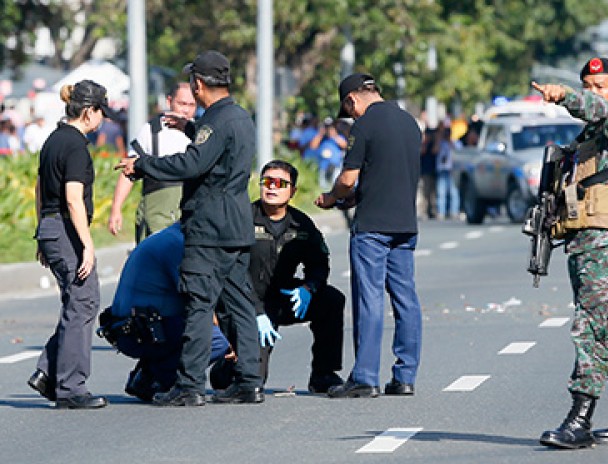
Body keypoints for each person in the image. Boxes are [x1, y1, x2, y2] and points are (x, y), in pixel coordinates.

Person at [116, 50, 262, 407]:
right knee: (239, 304)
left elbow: (194, 163)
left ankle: (190, 385)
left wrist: (143, 165)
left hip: (208, 227)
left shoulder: (216, 119)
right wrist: (191, 128)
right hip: (237, 225)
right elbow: (219, 153)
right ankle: (249, 381)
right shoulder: (239, 117)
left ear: (198, 84)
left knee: (198, 303)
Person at [532, 57, 608, 449]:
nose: (592, 93)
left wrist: (566, 95)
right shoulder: (590, 138)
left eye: (600, 85)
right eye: (587, 85)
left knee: (589, 326)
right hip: (584, 241)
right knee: (605, 326)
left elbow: (597, 109)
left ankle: (579, 417)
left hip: (607, 241)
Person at [315, 73, 422, 398]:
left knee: (370, 298)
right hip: (405, 224)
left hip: (373, 228)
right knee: (406, 299)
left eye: (350, 111)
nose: (352, 116)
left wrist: (333, 197)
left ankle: (365, 376)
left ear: (352, 100)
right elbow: (386, 177)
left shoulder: (364, 125)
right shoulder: (409, 123)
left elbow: (348, 178)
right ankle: (404, 377)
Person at [209, 160, 345, 393]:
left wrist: (308, 288)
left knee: (332, 300)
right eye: (267, 182)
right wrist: (256, 311)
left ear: (292, 191)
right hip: (246, 303)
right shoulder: (243, 219)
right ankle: (226, 366)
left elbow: (319, 264)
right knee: (252, 380)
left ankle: (324, 374)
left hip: (283, 297)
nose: (272, 188)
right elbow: (231, 272)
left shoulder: (301, 224)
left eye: (280, 183)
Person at [29, 79, 120, 409]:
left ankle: (47, 373)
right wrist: (87, 245)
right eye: (100, 113)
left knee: (76, 303)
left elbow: (40, 189)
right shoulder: (76, 146)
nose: (102, 120)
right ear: (88, 111)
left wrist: (43, 231)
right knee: (84, 302)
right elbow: (73, 199)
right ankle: (70, 388)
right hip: (66, 229)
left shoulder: (54, 139)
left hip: (51, 227)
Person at [97, 223, 232, 402]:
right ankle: (156, 377)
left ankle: (150, 370)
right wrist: (233, 338)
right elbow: (199, 298)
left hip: (134, 328)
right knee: (217, 341)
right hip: (140, 332)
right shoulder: (177, 245)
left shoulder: (168, 236)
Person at [109, 82, 197, 243]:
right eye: (182, 103)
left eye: (192, 105)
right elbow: (129, 171)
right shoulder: (152, 131)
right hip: (156, 212)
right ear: (169, 101)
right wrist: (116, 209)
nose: (186, 109)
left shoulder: (200, 132)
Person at [308, 117, 347, 190]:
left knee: (334, 186)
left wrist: (333, 134)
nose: (328, 128)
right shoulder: (321, 138)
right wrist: (321, 133)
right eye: (326, 126)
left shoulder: (338, 137)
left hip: (335, 166)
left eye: (330, 126)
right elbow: (312, 146)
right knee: (323, 187)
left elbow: (345, 145)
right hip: (323, 167)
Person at [435, 120, 460, 219]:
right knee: (441, 192)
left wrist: (450, 141)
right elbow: (434, 150)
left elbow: (458, 152)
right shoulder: (440, 143)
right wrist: (439, 138)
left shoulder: (455, 143)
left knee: (454, 192)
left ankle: (454, 211)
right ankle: (441, 212)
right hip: (442, 169)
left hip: (452, 169)